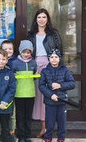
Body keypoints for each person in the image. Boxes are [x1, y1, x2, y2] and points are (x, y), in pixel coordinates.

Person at [27, 8, 63, 138]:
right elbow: (27, 53)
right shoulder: (30, 34)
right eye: (39, 17)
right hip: (35, 66)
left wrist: (57, 67)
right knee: (38, 97)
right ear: (35, 19)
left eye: (44, 17)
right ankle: (43, 127)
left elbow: (60, 52)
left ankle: (46, 128)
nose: (41, 19)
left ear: (47, 19)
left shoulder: (54, 34)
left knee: (48, 96)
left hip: (50, 65)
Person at [38, 49, 75, 142]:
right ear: (49, 59)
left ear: (59, 58)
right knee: (49, 123)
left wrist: (60, 85)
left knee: (62, 123)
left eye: (56, 57)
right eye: (51, 57)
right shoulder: (45, 71)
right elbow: (41, 86)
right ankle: (47, 138)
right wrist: (50, 95)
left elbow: (72, 83)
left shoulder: (64, 70)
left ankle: (61, 139)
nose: (54, 59)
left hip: (62, 102)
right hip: (50, 102)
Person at [12, 40, 38, 142]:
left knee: (28, 116)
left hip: (30, 93)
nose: (26, 54)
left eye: (28, 52)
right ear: (20, 51)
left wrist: (36, 75)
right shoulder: (15, 63)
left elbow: (34, 77)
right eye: (24, 52)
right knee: (20, 116)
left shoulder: (33, 63)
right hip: (19, 93)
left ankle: (28, 135)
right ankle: (21, 135)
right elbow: (11, 77)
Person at [1, 39, 17, 139]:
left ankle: (12, 131)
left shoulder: (16, 61)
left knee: (12, 113)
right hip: (1, 91)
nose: (8, 51)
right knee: (1, 113)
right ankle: (1, 131)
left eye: (10, 49)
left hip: (12, 91)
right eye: (5, 49)